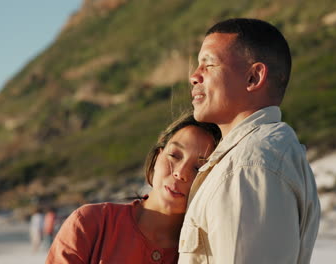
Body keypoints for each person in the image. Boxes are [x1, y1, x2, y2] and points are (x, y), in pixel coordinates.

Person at [178, 18, 321, 263]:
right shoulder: (264, 154)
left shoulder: (248, 166)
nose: (194, 76)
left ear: (253, 78)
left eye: (208, 64)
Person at [46, 112, 221, 264]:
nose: (180, 173)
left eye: (199, 168)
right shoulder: (90, 223)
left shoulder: (207, 252)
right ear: (157, 157)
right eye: (174, 155)